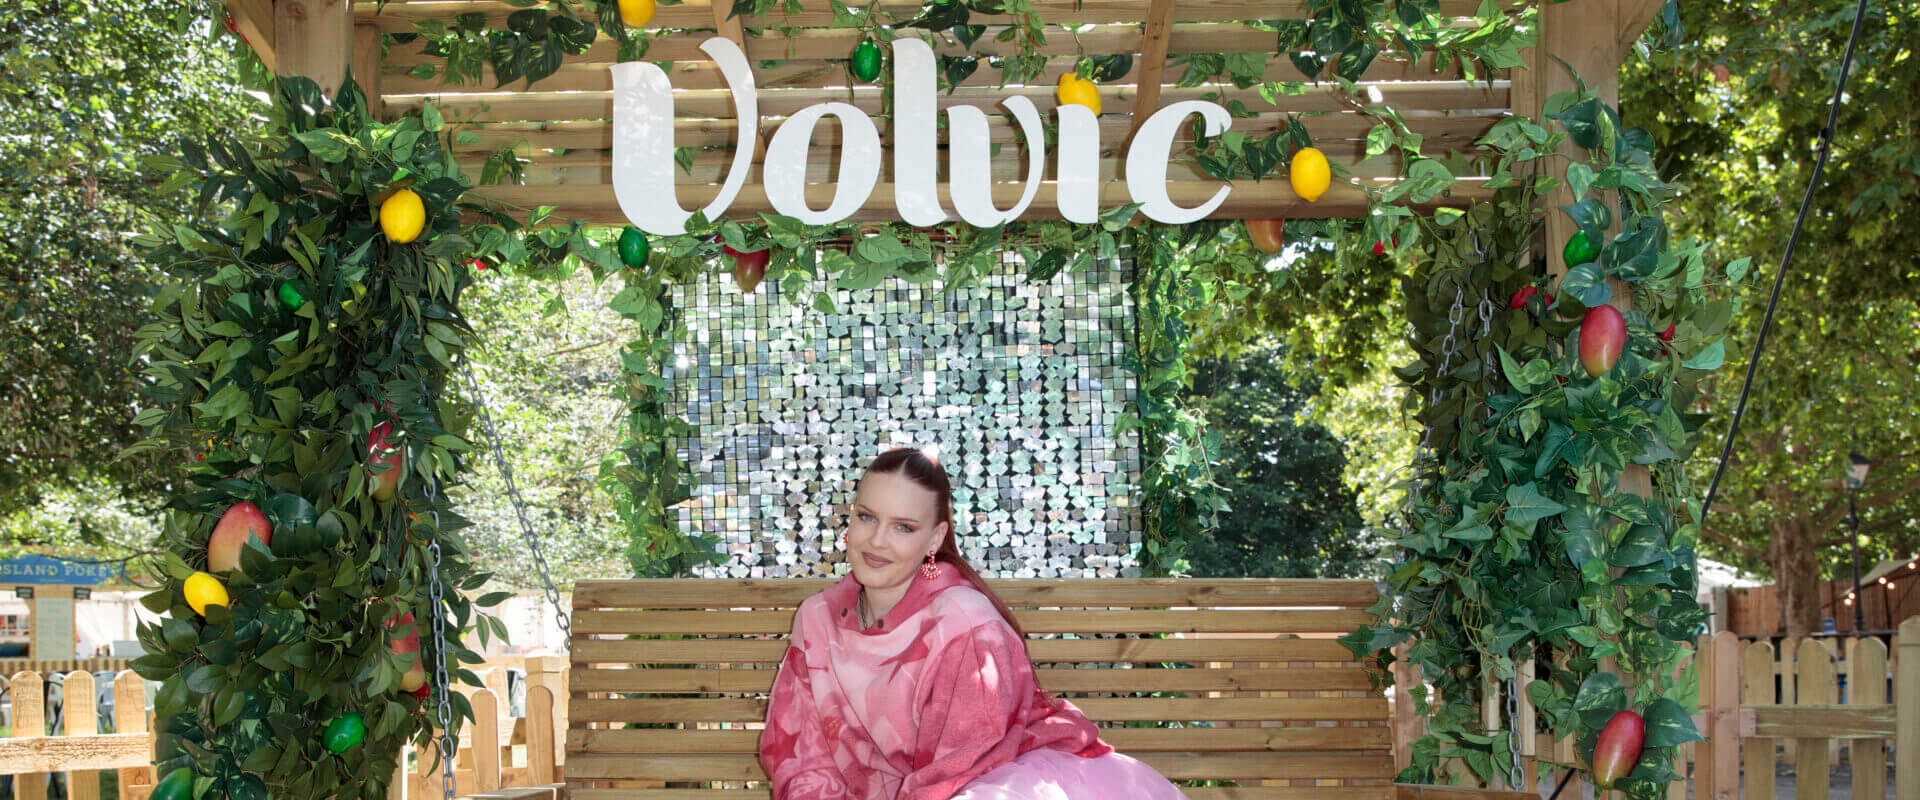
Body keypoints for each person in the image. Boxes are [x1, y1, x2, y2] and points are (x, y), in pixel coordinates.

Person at [759, 447, 1190, 800]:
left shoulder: (967, 624)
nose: (876, 541)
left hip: (998, 786)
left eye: (903, 527)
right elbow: (801, 755)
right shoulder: (816, 620)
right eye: (866, 517)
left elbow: (959, 770)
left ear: (934, 538)